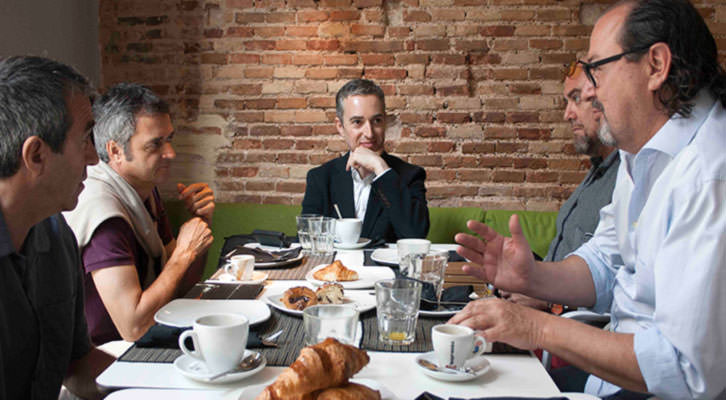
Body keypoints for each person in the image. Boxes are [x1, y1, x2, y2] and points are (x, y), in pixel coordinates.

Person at [450, 1, 726, 399]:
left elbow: (685, 371)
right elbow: (607, 261)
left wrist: (534, 326)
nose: (592, 92)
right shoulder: (642, 152)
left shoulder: (708, 175)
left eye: (598, 68)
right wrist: (534, 278)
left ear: (656, 65)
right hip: (610, 379)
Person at [63, 83, 214, 344]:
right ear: (115, 151)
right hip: (110, 356)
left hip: (152, 335)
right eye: (155, 144)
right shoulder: (104, 212)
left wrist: (200, 225)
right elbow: (133, 327)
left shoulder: (145, 190)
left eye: (169, 139)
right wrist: (185, 252)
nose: (170, 153)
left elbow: (180, 285)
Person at [0, 56, 115, 399]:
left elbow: (77, 367)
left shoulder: (56, 236)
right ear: (36, 155)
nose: (94, 158)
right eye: (85, 139)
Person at [504, 63, 619, 312]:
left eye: (576, 99)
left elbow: (620, 287)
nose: (568, 114)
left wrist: (550, 300)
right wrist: (525, 275)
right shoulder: (597, 171)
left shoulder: (627, 177)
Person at [301, 79, 429, 242]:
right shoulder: (320, 178)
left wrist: (381, 169)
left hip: (384, 268)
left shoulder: (409, 175)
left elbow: (416, 236)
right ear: (340, 126)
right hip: (336, 266)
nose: (369, 133)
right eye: (357, 122)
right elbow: (309, 241)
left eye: (376, 121)